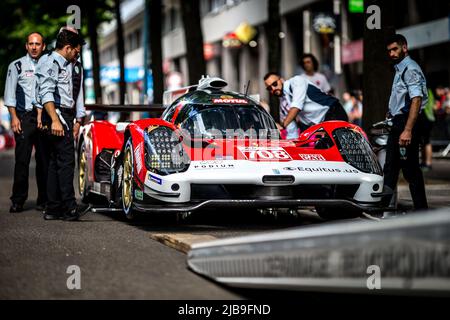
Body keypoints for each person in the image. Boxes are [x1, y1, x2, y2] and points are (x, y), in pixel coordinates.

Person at [35, 28, 88, 221]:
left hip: (63, 115)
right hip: (56, 114)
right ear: (67, 47)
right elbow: (46, 93)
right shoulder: (51, 62)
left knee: (55, 163)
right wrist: (56, 120)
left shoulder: (68, 63)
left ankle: (53, 208)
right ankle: (69, 208)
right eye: (76, 50)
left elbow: (75, 93)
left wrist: (77, 119)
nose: (77, 54)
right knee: (66, 163)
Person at [3, 32, 49, 213]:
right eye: (31, 44)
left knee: (44, 160)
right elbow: (9, 94)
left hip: (43, 117)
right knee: (22, 160)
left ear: (43, 46)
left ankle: (43, 200)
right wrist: (14, 117)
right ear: (26, 46)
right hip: (24, 118)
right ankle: (18, 200)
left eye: (38, 44)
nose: (34, 47)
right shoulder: (16, 65)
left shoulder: (48, 66)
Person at [383, 34, 428, 210]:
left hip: (406, 122)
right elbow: (404, 97)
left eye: (395, 49)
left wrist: (407, 129)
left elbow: (416, 100)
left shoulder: (410, 68)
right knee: (391, 167)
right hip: (399, 120)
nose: (392, 53)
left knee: (409, 169)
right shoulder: (400, 68)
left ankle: (421, 210)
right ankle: (384, 207)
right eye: (389, 51)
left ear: (404, 47)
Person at [263, 72, 348, 138]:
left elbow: (296, 106)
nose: (273, 88)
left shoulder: (296, 81)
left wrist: (282, 125)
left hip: (333, 113)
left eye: (274, 84)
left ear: (281, 80)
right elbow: (291, 130)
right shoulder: (283, 104)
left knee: (344, 148)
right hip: (319, 126)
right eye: (269, 88)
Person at [419, 88, 435, 171]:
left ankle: (428, 163)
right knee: (423, 141)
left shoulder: (425, 90)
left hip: (426, 118)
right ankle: (424, 162)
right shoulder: (429, 91)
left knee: (427, 141)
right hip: (428, 118)